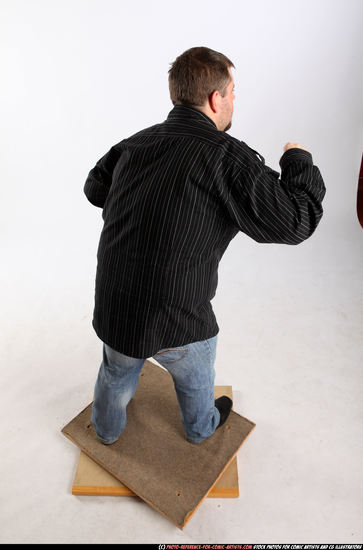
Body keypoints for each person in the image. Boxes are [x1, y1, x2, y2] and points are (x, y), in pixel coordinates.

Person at [83, 46, 326, 445]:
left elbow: (95, 188)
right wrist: (297, 159)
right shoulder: (229, 160)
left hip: (116, 306)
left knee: (115, 372)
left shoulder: (134, 144)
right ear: (216, 98)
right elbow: (298, 220)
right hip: (180, 318)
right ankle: (200, 429)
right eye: (232, 91)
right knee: (195, 379)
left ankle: (107, 432)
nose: (234, 100)